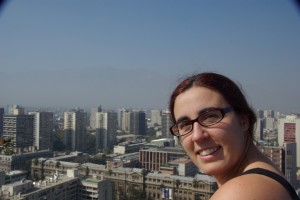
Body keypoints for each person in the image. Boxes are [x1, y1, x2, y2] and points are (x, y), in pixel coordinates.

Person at [169, 72, 299, 200]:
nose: (197, 136)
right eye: (185, 125)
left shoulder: (243, 192)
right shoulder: (267, 179)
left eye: (210, 116)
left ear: (243, 121)